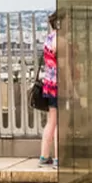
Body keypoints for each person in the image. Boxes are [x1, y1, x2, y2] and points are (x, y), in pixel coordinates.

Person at [38, 12, 60, 169]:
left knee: (51, 121)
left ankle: (44, 156)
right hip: (61, 84)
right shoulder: (61, 40)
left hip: (49, 84)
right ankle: (59, 158)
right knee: (61, 124)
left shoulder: (48, 38)